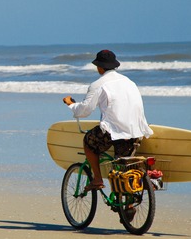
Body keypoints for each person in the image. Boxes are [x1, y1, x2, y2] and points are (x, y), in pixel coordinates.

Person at [63, 49, 153, 191]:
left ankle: (97, 180)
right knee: (123, 169)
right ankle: (128, 207)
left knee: (89, 141)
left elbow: (84, 111)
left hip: (113, 132)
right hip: (136, 131)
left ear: (99, 67)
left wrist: (71, 104)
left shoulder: (98, 84)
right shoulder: (129, 82)